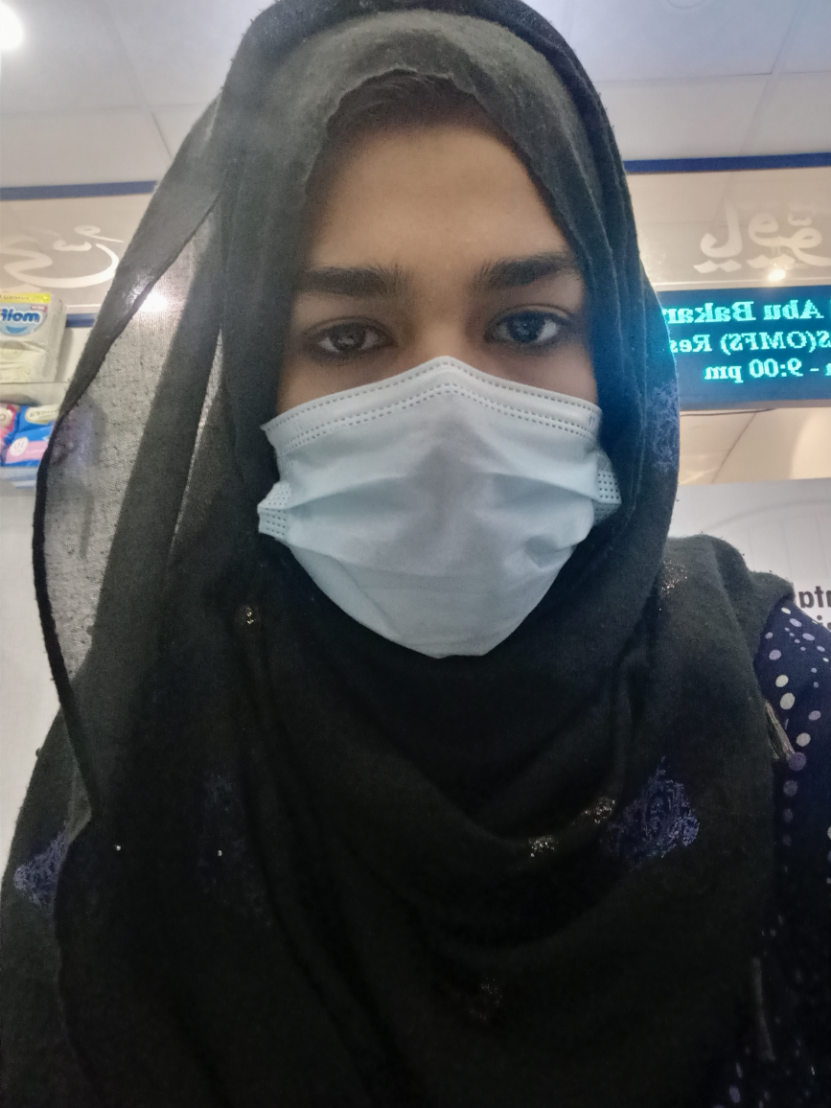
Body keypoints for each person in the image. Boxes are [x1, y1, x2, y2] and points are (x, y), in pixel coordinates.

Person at [1, 1, 828, 1105]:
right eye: (348, 337)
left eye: (527, 325)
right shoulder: (142, 752)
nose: (447, 418)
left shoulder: (781, 708)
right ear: (251, 385)